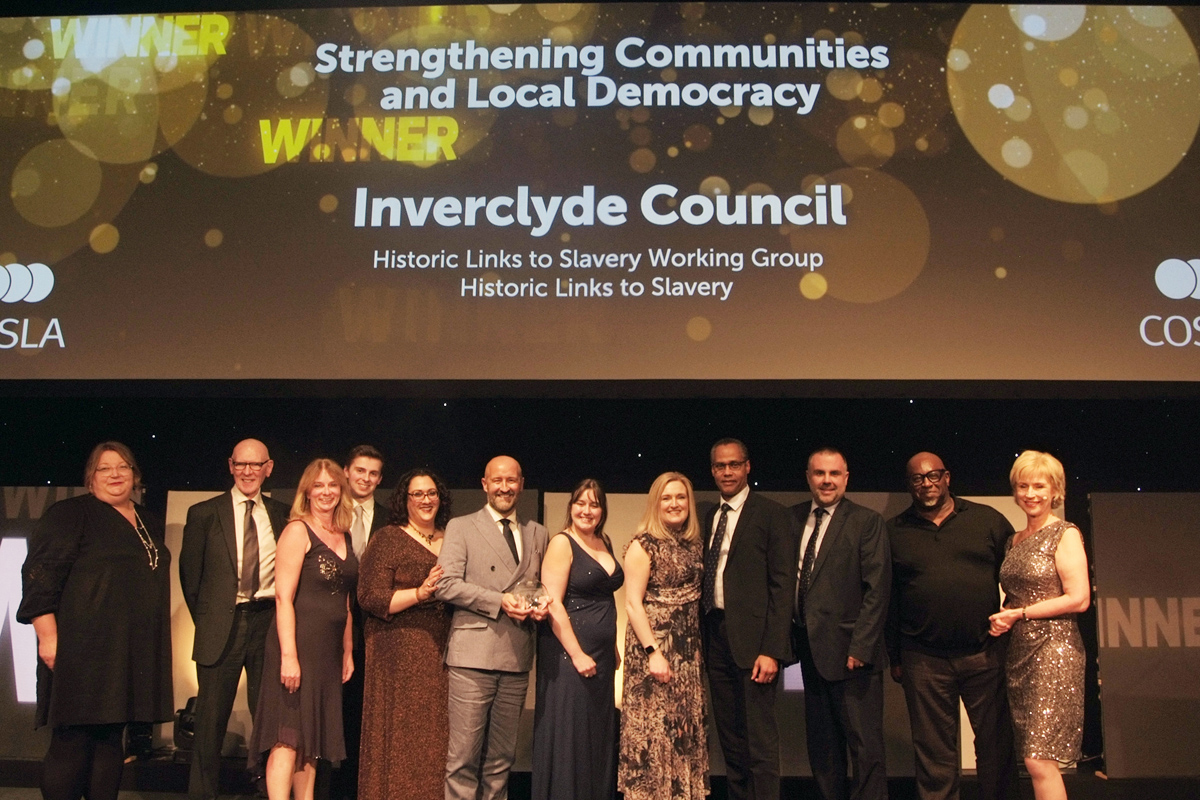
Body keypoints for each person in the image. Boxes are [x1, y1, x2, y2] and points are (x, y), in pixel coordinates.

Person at [18, 442, 172, 800]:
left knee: (109, 740)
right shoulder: (71, 514)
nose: (115, 474)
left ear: (135, 475)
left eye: (123, 467)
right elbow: (40, 576)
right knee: (73, 740)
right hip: (80, 648)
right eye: (105, 468)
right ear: (91, 477)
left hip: (125, 653)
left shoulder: (147, 519)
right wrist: (48, 638)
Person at [887, 452, 1017, 800]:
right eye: (917, 478)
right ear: (909, 484)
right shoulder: (894, 531)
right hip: (922, 657)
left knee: (996, 747)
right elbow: (889, 599)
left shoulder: (987, 520)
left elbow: (1018, 576)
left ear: (947, 478)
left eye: (933, 476)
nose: (926, 483)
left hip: (985, 654)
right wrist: (894, 655)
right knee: (934, 756)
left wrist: (1009, 617)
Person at [180, 438, 291, 800]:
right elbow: (190, 579)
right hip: (221, 628)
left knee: (269, 720)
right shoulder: (203, 513)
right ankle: (202, 795)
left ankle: (264, 791)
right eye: (241, 464)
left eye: (255, 465)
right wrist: (213, 619)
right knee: (209, 724)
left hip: (268, 625)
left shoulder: (283, 514)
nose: (247, 472)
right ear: (230, 465)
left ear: (268, 468)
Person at [435, 455, 550, 800]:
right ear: (485, 484)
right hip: (473, 656)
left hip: (515, 657)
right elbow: (445, 585)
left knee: (502, 759)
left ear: (521, 483)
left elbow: (539, 587)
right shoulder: (462, 526)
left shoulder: (538, 532)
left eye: (511, 480)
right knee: (463, 759)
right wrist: (498, 600)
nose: (504, 487)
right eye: (497, 481)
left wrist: (541, 607)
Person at [249, 459, 358, 800]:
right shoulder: (298, 530)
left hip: (327, 652)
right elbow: (283, 598)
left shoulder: (345, 533)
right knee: (288, 737)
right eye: (319, 486)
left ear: (341, 490)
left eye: (333, 485)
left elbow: (345, 602)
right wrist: (289, 656)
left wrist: (348, 650)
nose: (326, 492)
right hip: (297, 647)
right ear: (307, 492)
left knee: (311, 741)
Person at [988, 451, 1089, 800]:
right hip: (1019, 652)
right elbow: (1015, 594)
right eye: (1023, 485)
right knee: (1031, 757)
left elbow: (1079, 598)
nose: (1031, 493)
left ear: (1055, 490)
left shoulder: (1064, 533)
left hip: (1054, 651)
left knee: (1038, 758)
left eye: (1039, 486)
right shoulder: (1013, 540)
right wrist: (1006, 616)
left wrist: (1020, 614)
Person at [791, 448, 890, 800]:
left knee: (865, 750)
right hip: (810, 653)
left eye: (834, 473)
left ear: (846, 478)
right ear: (809, 477)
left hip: (853, 656)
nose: (827, 480)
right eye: (819, 473)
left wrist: (861, 647)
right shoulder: (793, 519)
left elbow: (877, 590)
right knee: (823, 749)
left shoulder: (866, 522)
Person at [702, 439, 797, 800]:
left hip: (756, 644)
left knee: (760, 742)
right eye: (720, 466)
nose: (727, 472)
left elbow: (783, 585)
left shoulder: (772, 514)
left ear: (747, 467)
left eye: (734, 465)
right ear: (712, 470)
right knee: (730, 741)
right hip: (716, 638)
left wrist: (772, 650)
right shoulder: (709, 515)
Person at [356, 468, 453, 800]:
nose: (426, 500)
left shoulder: (451, 538)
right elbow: (370, 597)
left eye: (431, 493)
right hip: (398, 648)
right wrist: (420, 593)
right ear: (404, 500)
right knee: (403, 735)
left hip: (442, 650)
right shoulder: (388, 538)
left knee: (437, 734)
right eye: (418, 494)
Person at [532, 479, 625, 800]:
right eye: (581, 503)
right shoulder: (562, 543)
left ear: (602, 510)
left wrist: (611, 646)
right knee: (570, 738)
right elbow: (553, 602)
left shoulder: (604, 541)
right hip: (568, 654)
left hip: (600, 654)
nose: (587, 510)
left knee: (595, 737)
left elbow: (604, 599)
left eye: (594, 504)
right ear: (571, 507)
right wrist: (577, 654)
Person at [618, 472, 709, 800]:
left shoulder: (695, 543)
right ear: (656, 503)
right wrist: (653, 651)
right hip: (653, 651)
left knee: (682, 735)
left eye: (680, 497)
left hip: (687, 653)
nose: (674, 504)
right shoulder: (643, 544)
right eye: (667, 498)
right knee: (655, 736)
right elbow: (632, 604)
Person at [327, 445, 387, 800]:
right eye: (360, 471)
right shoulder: (327, 511)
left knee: (359, 715)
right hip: (330, 622)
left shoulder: (389, 517)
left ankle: (353, 788)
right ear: (346, 472)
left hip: (372, 630)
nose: (365, 478)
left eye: (373, 473)